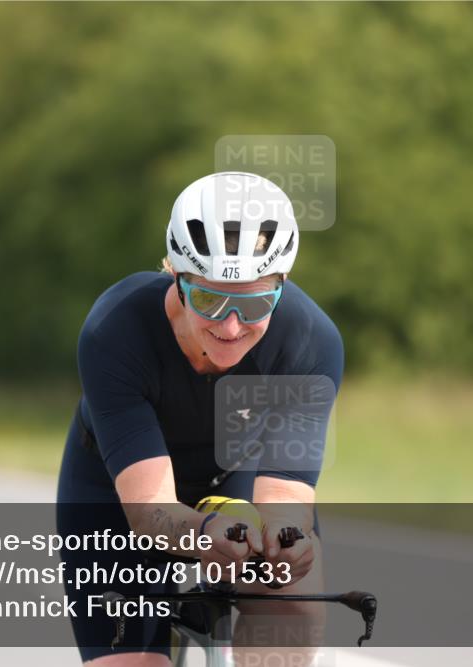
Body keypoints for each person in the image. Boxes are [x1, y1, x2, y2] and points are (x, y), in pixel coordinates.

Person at [57, 172, 344, 665]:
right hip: (119, 490)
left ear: (283, 285)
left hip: (238, 473)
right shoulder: (116, 329)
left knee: (292, 602)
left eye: (255, 302)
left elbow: (284, 502)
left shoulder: (309, 341)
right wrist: (200, 532)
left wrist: (287, 545)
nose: (231, 326)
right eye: (209, 299)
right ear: (176, 275)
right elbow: (148, 509)